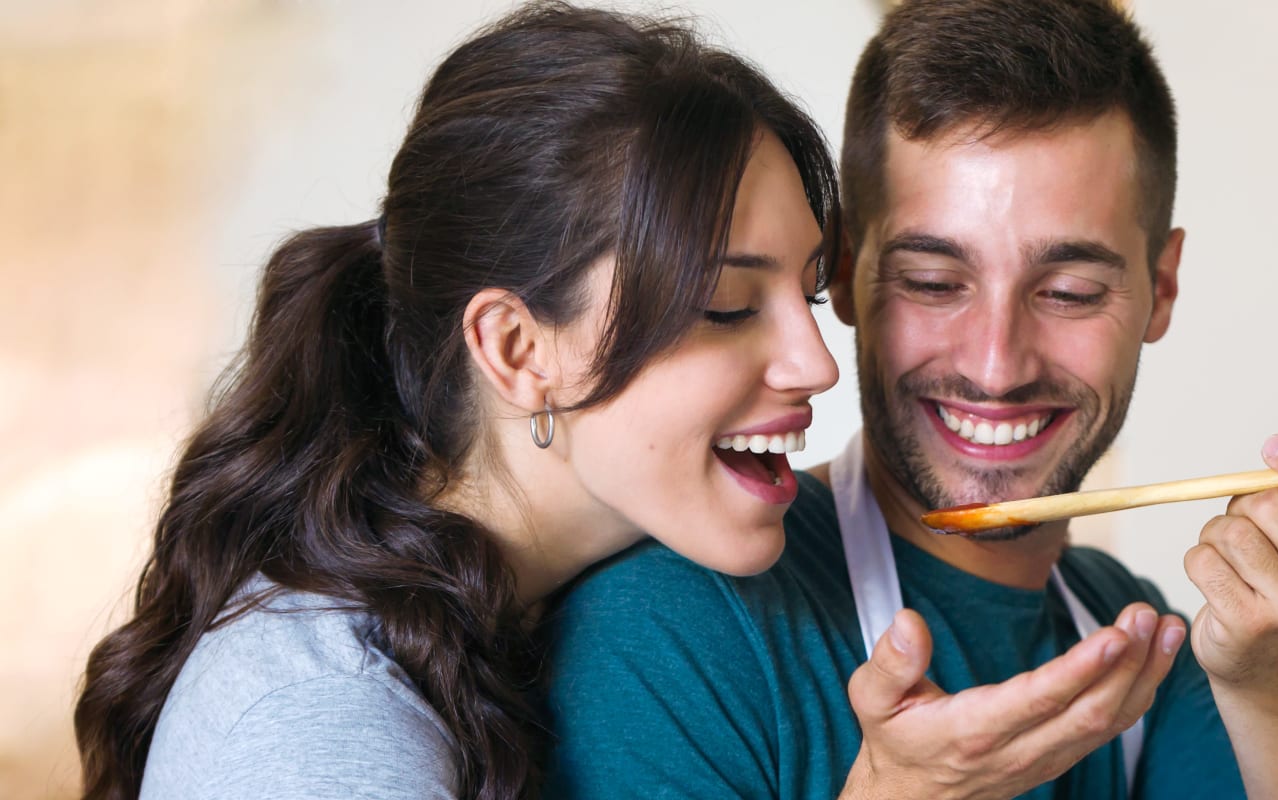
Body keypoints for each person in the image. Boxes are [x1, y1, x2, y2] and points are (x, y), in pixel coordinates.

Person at [543, 0, 1278, 798]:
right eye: (933, 281)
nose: (996, 367)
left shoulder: (1137, 641)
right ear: (842, 272)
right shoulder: (671, 626)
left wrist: (1277, 673)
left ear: (1162, 287)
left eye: (1068, 291)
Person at [71, 4, 842, 798]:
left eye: (812, 293)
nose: (816, 365)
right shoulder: (325, 729)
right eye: (724, 306)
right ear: (515, 347)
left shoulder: (520, 619)